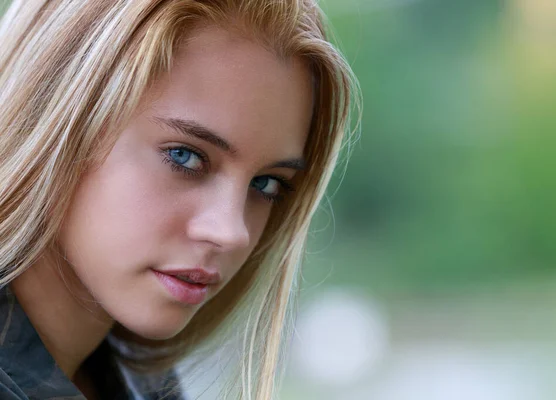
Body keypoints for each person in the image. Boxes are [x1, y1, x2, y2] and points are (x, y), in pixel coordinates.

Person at [0, 0, 358, 399]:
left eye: (266, 184)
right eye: (184, 156)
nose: (231, 231)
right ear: (56, 117)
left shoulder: (146, 385)